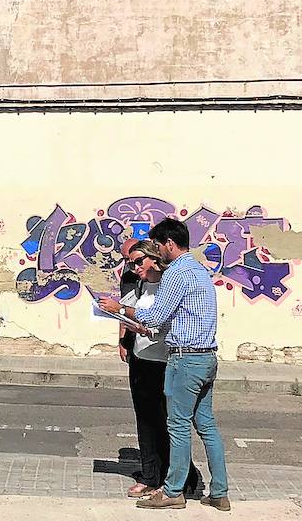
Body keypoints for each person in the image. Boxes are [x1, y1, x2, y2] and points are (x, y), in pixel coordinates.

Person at [98, 217, 230, 512]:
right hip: (208, 356)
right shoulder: (200, 271)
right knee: (206, 426)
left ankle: (172, 491)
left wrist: (120, 308)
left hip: (185, 358)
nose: (157, 252)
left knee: (178, 426)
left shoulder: (176, 274)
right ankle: (219, 491)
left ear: (170, 244)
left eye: (158, 245)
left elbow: (154, 316)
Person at [116, 237, 203, 500]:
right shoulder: (139, 285)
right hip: (142, 360)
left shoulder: (170, 284)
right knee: (145, 420)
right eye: (131, 264)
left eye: (138, 262)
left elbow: (161, 322)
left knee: (169, 423)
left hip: (166, 361)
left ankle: (180, 477)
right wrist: (124, 337)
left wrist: (138, 323)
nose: (134, 268)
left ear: (154, 258)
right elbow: (127, 311)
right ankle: (150, 476)